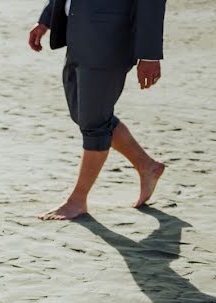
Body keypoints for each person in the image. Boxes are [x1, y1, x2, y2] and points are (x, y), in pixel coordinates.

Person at [29, 0, 167, 220]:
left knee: (93, 123)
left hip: (110, 40)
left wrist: (149, 55)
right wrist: (46, 19)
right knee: (84, 116)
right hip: (77, 33)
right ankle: (147, 166)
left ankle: (77, 200)